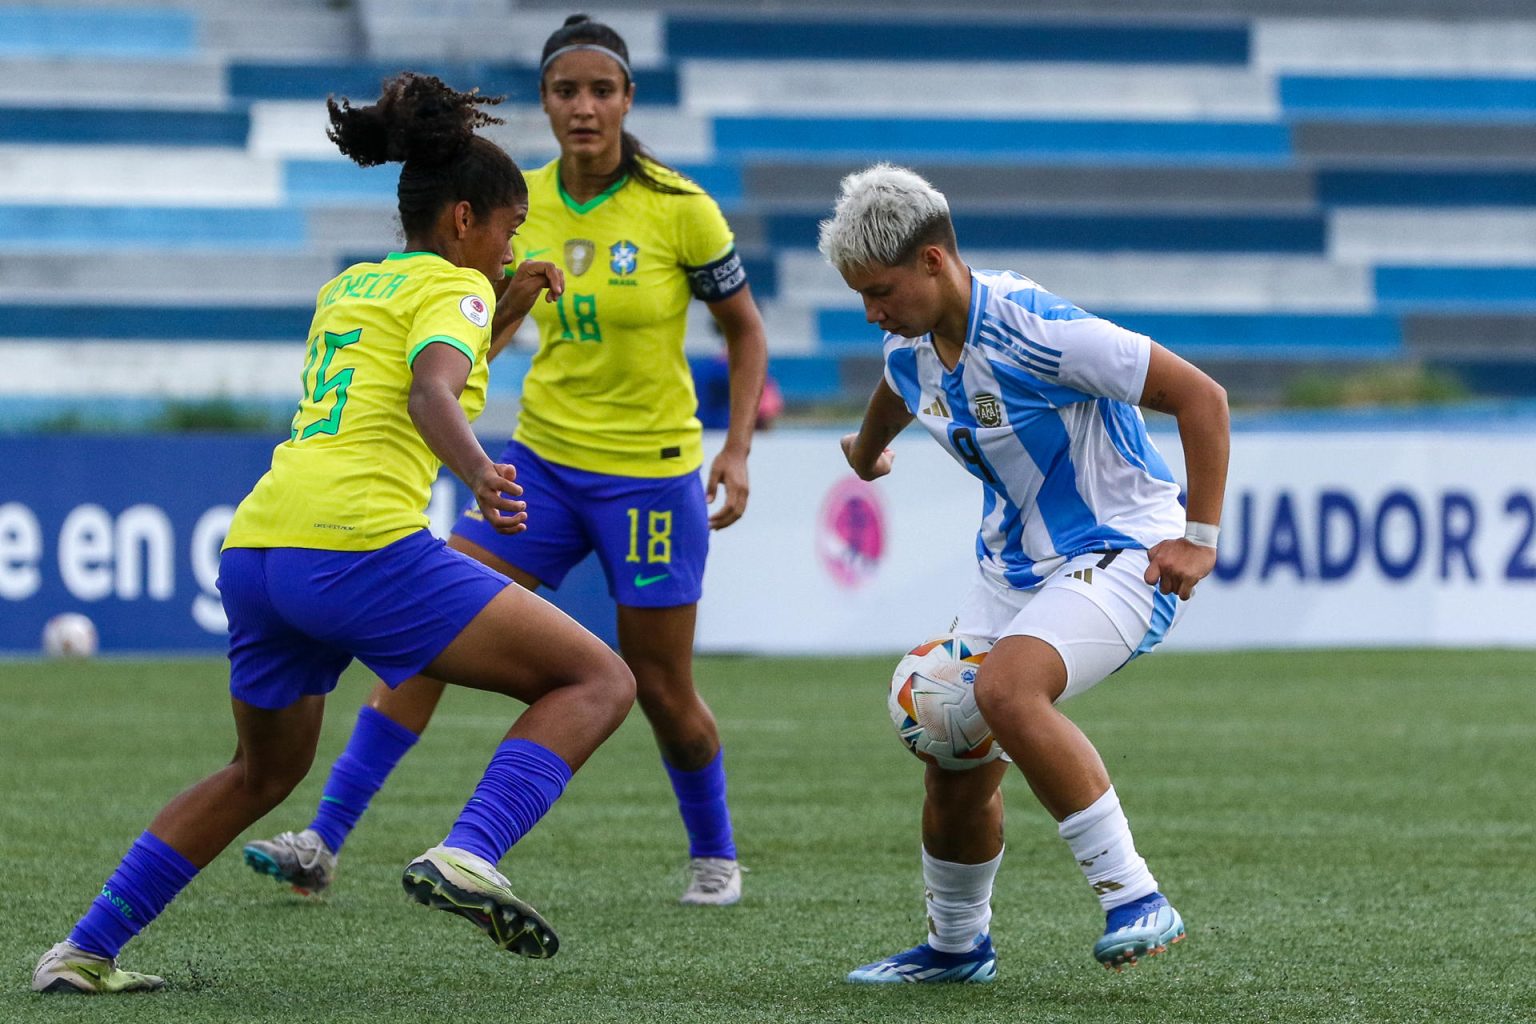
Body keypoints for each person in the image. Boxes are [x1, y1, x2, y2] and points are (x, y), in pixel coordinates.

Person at [31, 73, 636, 995]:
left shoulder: (352, 286)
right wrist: (479, 472)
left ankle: (82, 951)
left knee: (257, 772)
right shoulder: (454, 289)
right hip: (358, 549)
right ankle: (471, 850)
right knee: (598, 678)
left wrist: (505, 308)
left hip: (260, 550)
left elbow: (428, 364)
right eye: (509, 232)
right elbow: (433, 390)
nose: (511, 250)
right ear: (465, 219)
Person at [242, 13, 769, 908]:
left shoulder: (682, 208)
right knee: (424, 643)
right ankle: (322, 840)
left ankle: (714, 854)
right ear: (547, 101)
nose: (585, 107)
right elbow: (472, 345)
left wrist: (739, 450)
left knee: (661, 688)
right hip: (542, 470)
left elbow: (745, 330)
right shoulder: (513, 199)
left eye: (602, 90)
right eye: (567, 90)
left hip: (650, 475)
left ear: (628, 98)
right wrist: (514, 298)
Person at [821, 165, 1230, 982]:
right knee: (954, 752)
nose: (872, 312)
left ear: (934, 261)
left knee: (1006, 692)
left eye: (880, 290)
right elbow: (900, 390)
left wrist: (1201, 537)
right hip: (1014, 570)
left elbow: (1202, 397)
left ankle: (1135, 896)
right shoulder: (911, 343)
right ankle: (955, 947)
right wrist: (865, 454)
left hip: (1121, 551)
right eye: (861, 296)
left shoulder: (1038, 328)